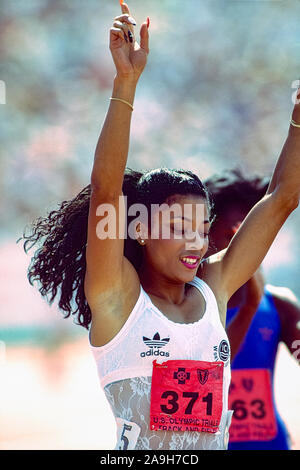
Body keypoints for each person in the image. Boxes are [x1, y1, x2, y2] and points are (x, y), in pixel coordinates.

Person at [18, 1, 300, 451]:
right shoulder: (118, 299)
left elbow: (282, 198)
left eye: (200, 227)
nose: (196, 240)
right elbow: (106, 193)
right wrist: (125, 83)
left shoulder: (215, 287)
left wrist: (297, 120)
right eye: (177, 225)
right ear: (142, 229)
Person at [204, 170, 300, 449]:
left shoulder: (279, 305)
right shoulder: (183, 306)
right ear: (205, 234)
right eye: (233, 237)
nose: (245, 251)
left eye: (255, 239)